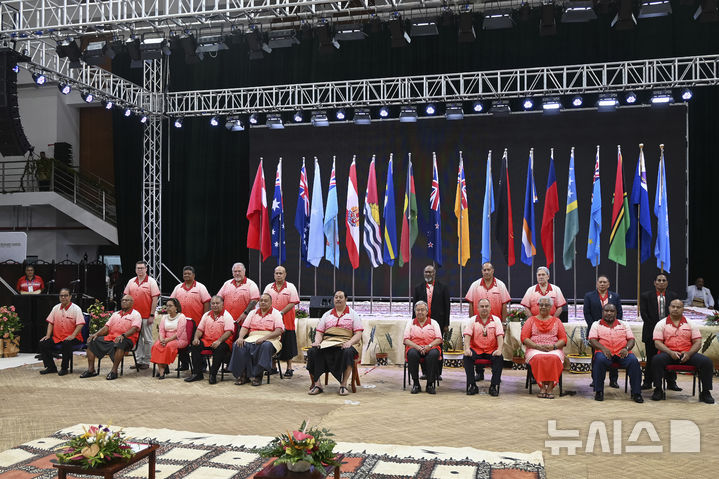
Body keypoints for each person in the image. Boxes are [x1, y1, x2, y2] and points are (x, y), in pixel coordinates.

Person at [651, 300, 715, 404]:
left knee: (707, 362)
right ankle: (658, 389)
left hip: (687, 354)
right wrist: (670, 352)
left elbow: (697, 342)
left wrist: (689, 354)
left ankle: (706, 392)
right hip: (668, 354)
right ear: (669, 308)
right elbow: (657, 343)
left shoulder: (690, 323)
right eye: (673, 307)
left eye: (678, 307)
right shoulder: (661, 324)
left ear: (683, 309)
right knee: (656, 360)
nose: (675, 309)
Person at [307, 291, 363, 396]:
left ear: (346, 299)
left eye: (341, 297)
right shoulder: (327, 315)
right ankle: (317, 384)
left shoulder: (353, 315)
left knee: (348, 352)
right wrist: (317, 342)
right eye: (336, 297)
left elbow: (358, 334)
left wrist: (350, 343)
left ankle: (343, 385)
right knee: (312, 351)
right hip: (327, 343)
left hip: (345, 343)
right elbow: (319, 332)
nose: (338, 299)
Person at [588, 303, 644, 403]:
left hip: (622, 352)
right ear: (602, 312)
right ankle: (599, 391)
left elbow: (631, 339)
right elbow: (592, 340)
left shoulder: (624, 324)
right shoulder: (596, 324)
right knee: (599, 360)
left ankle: (636, 393)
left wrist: (626, 348)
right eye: (606, 311)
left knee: (634, 361)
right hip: (604, 353)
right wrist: (603, 349)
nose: (609, 313)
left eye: (612, 311)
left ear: (616, 313)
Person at [80, 295, 142, 380]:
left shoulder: (136, 314)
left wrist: (123, 335)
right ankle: (91, 370)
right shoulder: (115, 314)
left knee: (120, 343)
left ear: (132, 303)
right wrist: (96, 334)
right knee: (91, 341)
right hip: (111, 337)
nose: (124, 302)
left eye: (127, 300)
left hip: (127, 339)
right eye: (123, 300)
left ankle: (114, 371)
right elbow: (106, 327)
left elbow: (134, 329)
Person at [228, 293, 284, 386]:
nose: (263, 302)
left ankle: (258, 376)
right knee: (238, 344)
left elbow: (279, 331)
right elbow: (245, 327)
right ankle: (243, 375)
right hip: (252, 337)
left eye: (266, 301)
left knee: (265, 346)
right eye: (261, 300)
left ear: (271, 303)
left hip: (270, 339)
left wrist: (264, 338)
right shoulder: (252, 313)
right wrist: (241, 337)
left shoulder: (276, 313)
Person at [639, 273, 681, 390]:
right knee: (651, 358)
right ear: (655, 283)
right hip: (651, 332)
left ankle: (671, 382)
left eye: (664, 280)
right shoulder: (646, 296)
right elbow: (644, 314)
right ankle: (647, 382)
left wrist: (667, 330)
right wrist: (658, 330)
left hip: (670, 333)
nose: (661, 282)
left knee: (671, 356)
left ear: (667, 283)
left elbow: (676, 314)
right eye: (659, 280)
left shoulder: (673, 296)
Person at [521, 297, 567, 399]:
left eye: (546, 305)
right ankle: (541, 387)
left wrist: (553, 346)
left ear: (551, 307)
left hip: (553, 348)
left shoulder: (557, 321)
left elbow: (563, 339)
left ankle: (550, 388)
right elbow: (524, 338)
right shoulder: (531, 320)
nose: (543, 307)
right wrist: (537, 346)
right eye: (541, 305)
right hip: (534, 348)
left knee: (554, 358)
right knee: (538, 358)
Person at [583, 275, 623, 388]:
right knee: (595, 356)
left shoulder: (615, 296)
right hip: (595, 331)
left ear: (608, 284)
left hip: (613, 332)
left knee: (614, 354)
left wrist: (614, 327)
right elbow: (587, 313)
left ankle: (613, 380)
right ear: (596, 284)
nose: (602, 284)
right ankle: (596, 380)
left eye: (604, 282)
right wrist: (596, 327)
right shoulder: (589, 296)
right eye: (600, 282)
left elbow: (619, 313)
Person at [184, 295, 234, 384]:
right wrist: (196, 338)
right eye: (213, 303)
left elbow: (229, 332)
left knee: (219, 348)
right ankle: (197, 373)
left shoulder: (227, 316)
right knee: (195, 346)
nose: (215, 305)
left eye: (217, 303)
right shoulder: (206, 315)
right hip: (207, 340)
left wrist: (219, 341)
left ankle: (213, 375)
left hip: (222, 341)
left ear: (222, 305)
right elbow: (200, 329)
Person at [412, 264, 450, 380]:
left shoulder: (443, 287)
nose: (428, 274)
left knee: (437, 347)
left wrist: (446, 324)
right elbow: (414, 307)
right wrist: (414, 322)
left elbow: (447, 306)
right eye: (426, 272)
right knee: (422, 345)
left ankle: (437, 373)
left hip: (438, 323)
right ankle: (425, 372)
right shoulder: (418, 288)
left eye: (430, 272)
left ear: (434, 274)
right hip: (422, 323)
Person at [170, 266, 211, 369]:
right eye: (185, 274)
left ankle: (202, 365)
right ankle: (184, 364)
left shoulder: (200, 287)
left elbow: (206, 302)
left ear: (193, 275)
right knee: (182, 344)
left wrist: (204, 318)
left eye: (189, 273)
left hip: (197, 322)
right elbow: (172, 302)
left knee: (197, 344)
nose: (186, 275)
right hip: (181, 323)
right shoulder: (178, 287)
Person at [462, 298, 504, 397]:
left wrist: (499, 350)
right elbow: (467, 335)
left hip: (491, 350)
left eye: (486, 306)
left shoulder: (496, 320)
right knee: (467, 357)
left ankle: (494, 386)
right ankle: (472, 385)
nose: (484, 308)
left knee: (499, 358)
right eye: (482, 306)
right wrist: (467, 349)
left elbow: (500, 336)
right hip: (476, 349)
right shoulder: (472, 320)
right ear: (477, 308)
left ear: (490, 308)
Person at [37, 288, 84, 375]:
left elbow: (80, 324)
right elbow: (50, 322)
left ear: (70, 297)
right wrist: (48, 335)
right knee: (43, 343)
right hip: (57, 337)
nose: (63, 297)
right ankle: (51, 367)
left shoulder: (76, 309)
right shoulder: (55, 308)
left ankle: (64, 368)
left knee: (66, 343)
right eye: (61, 296)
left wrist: (73, 335)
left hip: (73, 337)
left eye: (65, 295)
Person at [123, 261, 160, 370]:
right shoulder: (131, 281)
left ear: (146, 269)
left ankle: (147, 361)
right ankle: (138, 361)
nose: (140, 270)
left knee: (147, 339)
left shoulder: (151, 282)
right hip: (133, 317)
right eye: (138, 268)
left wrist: (152, 314)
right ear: (135, 269)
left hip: (146, 316)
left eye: (142, 268)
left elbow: (155, 299)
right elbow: (126, 298)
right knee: (137, 339)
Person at [264, 266, 300, 377]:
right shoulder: (269, 287)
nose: (278, 275)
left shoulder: (291, 287)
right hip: (272, 323)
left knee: (288, 345)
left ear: (285, 275)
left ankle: (289, 368)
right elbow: (264, 300)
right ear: (274, 274)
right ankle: (273, 367)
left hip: (287, 322)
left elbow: (293, 302)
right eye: (277, 273)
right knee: (273, 343)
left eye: (281, 273)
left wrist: (281, 313)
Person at [403, 301, 442, 394]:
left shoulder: (434, 323)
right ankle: (416, 384)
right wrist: (417, 347)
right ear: (415, 311)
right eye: (418, 310)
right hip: (415, 348)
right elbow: (406, 340)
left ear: (427, 311)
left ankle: (430, 384)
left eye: (422, 310)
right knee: (412, 354)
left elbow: (439, 339)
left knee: (433, 355)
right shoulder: (410, 323)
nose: (420, 312)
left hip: (431, 348)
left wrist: (429, 346)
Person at [150, 298, 189, 379]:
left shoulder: (181, 317)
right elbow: (161, 330)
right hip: (165, 338)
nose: (168, 308)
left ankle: (162, 370)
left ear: (176, 308)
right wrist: (161, 339)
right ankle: (162, 369)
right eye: (167, 306)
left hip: (179, 339)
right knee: (156, 345)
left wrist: (168, 340)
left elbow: (179, 333)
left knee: (167, 346)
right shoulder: (164, 317)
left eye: (170, 306)